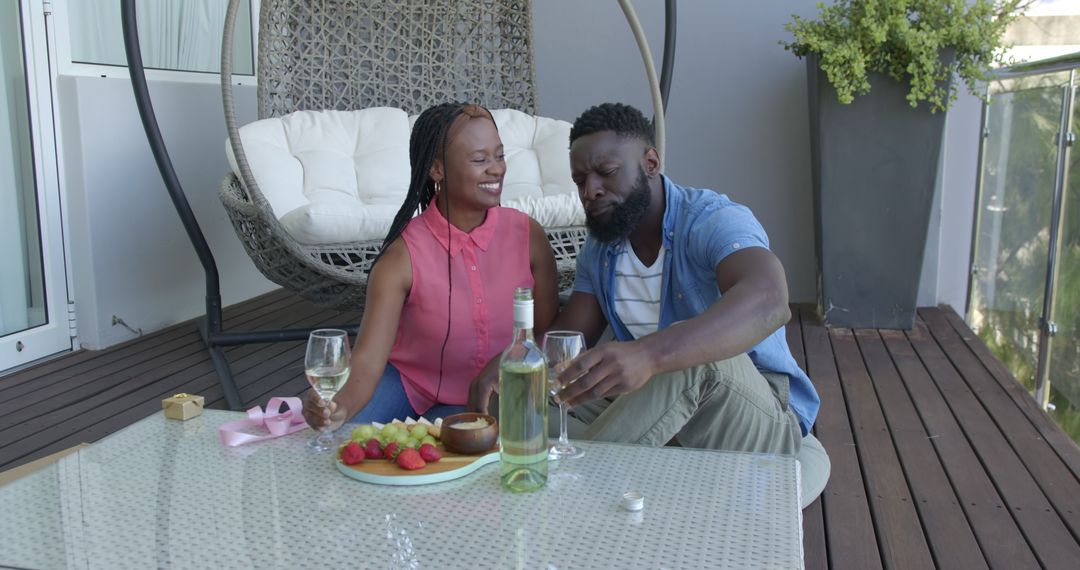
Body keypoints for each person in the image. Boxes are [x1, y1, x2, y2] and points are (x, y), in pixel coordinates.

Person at [469, 102, 829, 507]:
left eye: (605, 173)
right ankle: (615, 465)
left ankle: (577, 495)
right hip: (649, 408)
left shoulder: (711, 218)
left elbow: (770, 299)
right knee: (516, 394)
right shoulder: (601, 246)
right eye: (580, 179)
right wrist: (516, 365)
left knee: (694, 360)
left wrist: (649, 355)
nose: (591, 191)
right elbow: (573, 333)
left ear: (650, 162)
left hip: (751, 416)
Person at [303, 103, 558, 430]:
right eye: (480, 160)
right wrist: (336, 407)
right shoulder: (401, 256)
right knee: (338, 438)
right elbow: (366, 362)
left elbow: (546, 331)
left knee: (463, 450)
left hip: (496, 390)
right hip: (409, 387)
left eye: (500, 156)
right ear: (437, 169)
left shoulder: (528, 236)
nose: (496, 169)